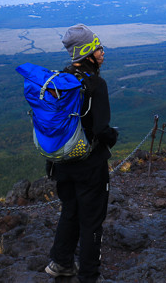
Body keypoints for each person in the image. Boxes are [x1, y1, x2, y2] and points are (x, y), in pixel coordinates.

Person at [45, 24, 118, 282]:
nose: (102, 52)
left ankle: (61, 263)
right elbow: (101, 128)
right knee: (92, 222)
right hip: (90, 166)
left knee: (70, 211)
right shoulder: (96, 84)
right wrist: (113, 136)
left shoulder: (61, 80)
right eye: (98, 48)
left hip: (61, 164)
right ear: (87, 52)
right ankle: (89, 276)